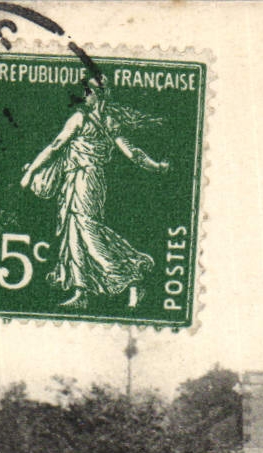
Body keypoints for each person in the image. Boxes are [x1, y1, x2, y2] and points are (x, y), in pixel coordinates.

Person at [19, 81, 170, 308]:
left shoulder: (81, 119)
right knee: (75, 233)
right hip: (84, 181)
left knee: (88, 232)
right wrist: (156, 166)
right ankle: (82, 292)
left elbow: (55, 146)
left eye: (87, 93)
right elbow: (133, 154)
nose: (84, 96)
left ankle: (131, 277)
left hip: (84, 181)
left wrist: (31, 171)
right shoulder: (109, 122)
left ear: (98, 95)